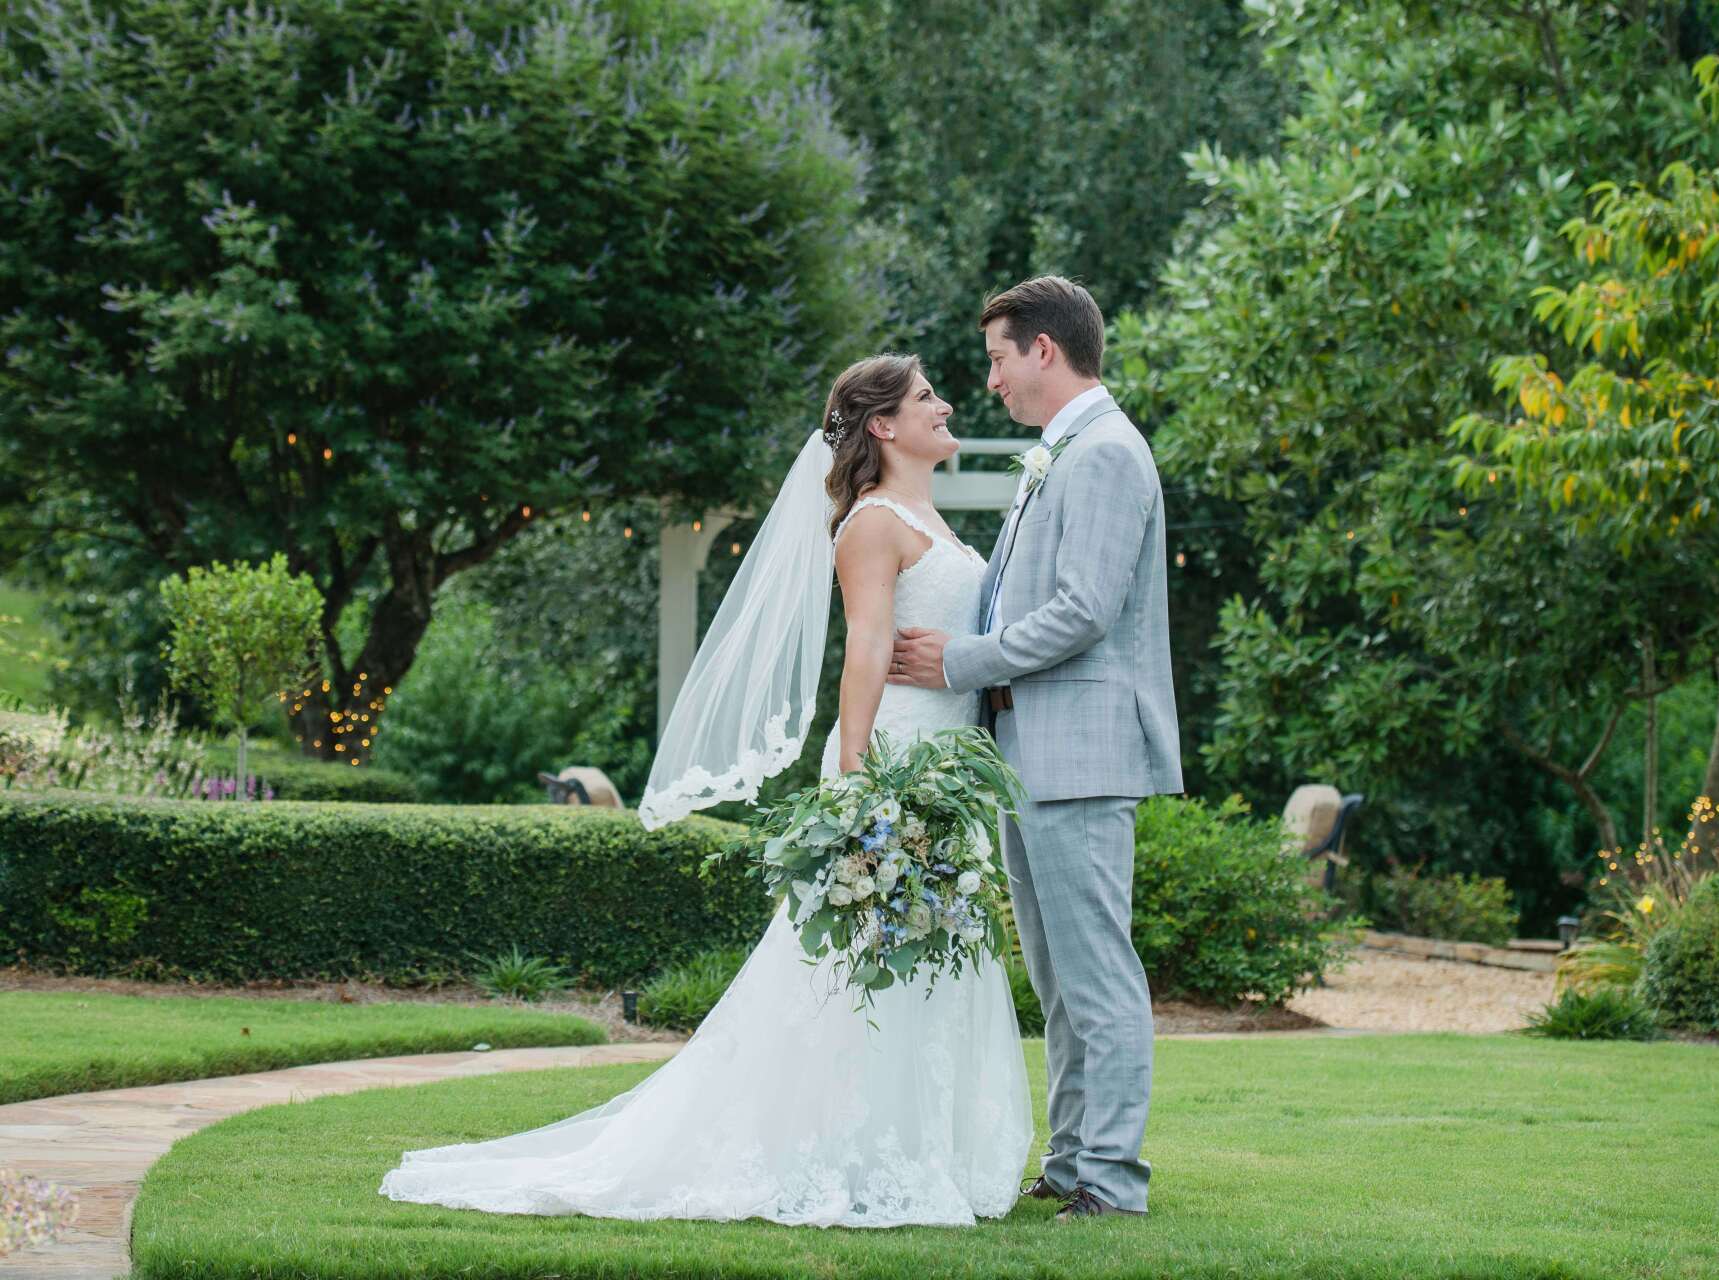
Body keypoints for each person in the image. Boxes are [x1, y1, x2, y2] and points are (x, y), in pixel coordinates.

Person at [379, 354, 1032, 1229]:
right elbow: (866, 650)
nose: (945, 404)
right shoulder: (871, 524)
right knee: (853, 964)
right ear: (883, 425)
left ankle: (917, 1152)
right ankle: (851, 1153)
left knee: (922, 957)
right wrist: (860, 784)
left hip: (945, 764)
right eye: (925, 398)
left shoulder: (927, 516)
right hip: (897, 762)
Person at [889, 277, 1182, 1223]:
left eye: (998, 358)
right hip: (1031, 746)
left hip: (1082, 748)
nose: (991, 380)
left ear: (1044, 352)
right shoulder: (1058, 452)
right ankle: (1070, 1163)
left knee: (1096, 971)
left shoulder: (1102, 453)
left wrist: (958, 663)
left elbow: (1084, 611)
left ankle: (1111, 1179)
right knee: (1060, 981)